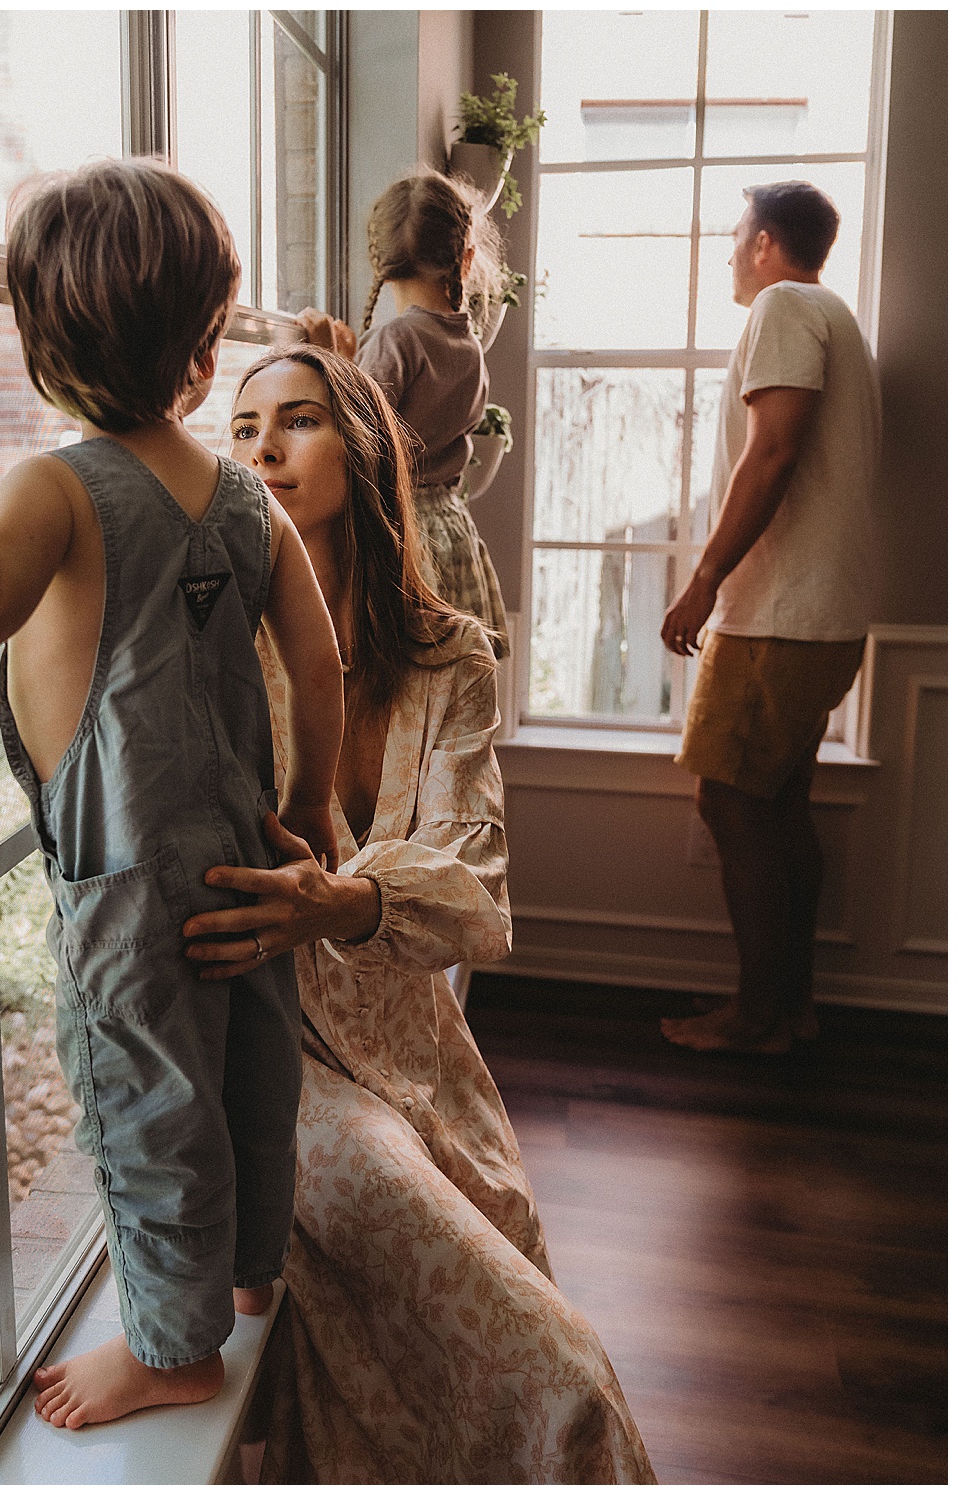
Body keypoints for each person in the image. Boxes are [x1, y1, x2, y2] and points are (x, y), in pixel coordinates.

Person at [0, 158, 345, 1427]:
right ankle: (247, 1278)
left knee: (147, 1108)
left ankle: (174, 1348)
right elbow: (319, 661)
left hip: (126, 883)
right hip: (244, 855)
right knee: (250, 1076)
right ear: (200, 350)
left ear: (42, 341)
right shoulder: (245, 496)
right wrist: (313, 805)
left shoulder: (59, 490)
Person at [179, 343, 655, 1481]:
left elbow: (476, 898)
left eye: (296, 422)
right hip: (278, 1071)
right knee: (569, 1370)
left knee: (507, 1279)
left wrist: (339, 899)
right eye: (242, 431)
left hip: (427, 1061)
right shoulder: (213, 659)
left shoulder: (453, 660)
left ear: (365, 444)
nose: (264, 450)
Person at [660, 181, 881, 1055]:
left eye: (734, 235)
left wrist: (705, 576)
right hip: (823, 615)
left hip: (779, 614)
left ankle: (758, 1015)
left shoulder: (787, 305)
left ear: (764, 244)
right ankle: (792, 1010)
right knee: (781, 807)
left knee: (731, 801)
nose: (727, 253)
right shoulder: (837, 315)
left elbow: (776, 448)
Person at [300, 168, 511, 658]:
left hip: (403, 536)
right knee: (445, 687)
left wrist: (331, 366)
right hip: (450, 528)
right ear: (467, 257)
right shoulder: (469, 345)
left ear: (381, 260)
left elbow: (358, 442)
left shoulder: (397, 341)